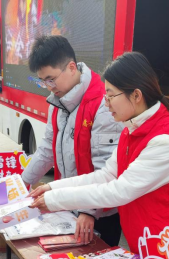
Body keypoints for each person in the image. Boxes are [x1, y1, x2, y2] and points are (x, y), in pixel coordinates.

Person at [30, 52, 169, 253]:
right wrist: (52, 188)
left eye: (111, 95)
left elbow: (118, 191)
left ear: (136, 95)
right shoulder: (131, 127)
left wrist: (55, 200)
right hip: (149, 244)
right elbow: (106, 175)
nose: (106, 103)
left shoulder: (166, 143)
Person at [23, 35, 123, 247]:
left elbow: (107, 167)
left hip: (99, 213)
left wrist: (89, 211)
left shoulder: (103, 104)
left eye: (51, 79)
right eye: (43, 81)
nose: (48, 86)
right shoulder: (57, 102)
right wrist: (23, 181)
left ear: (70, 67)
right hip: (69, 204)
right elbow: (46, 149)